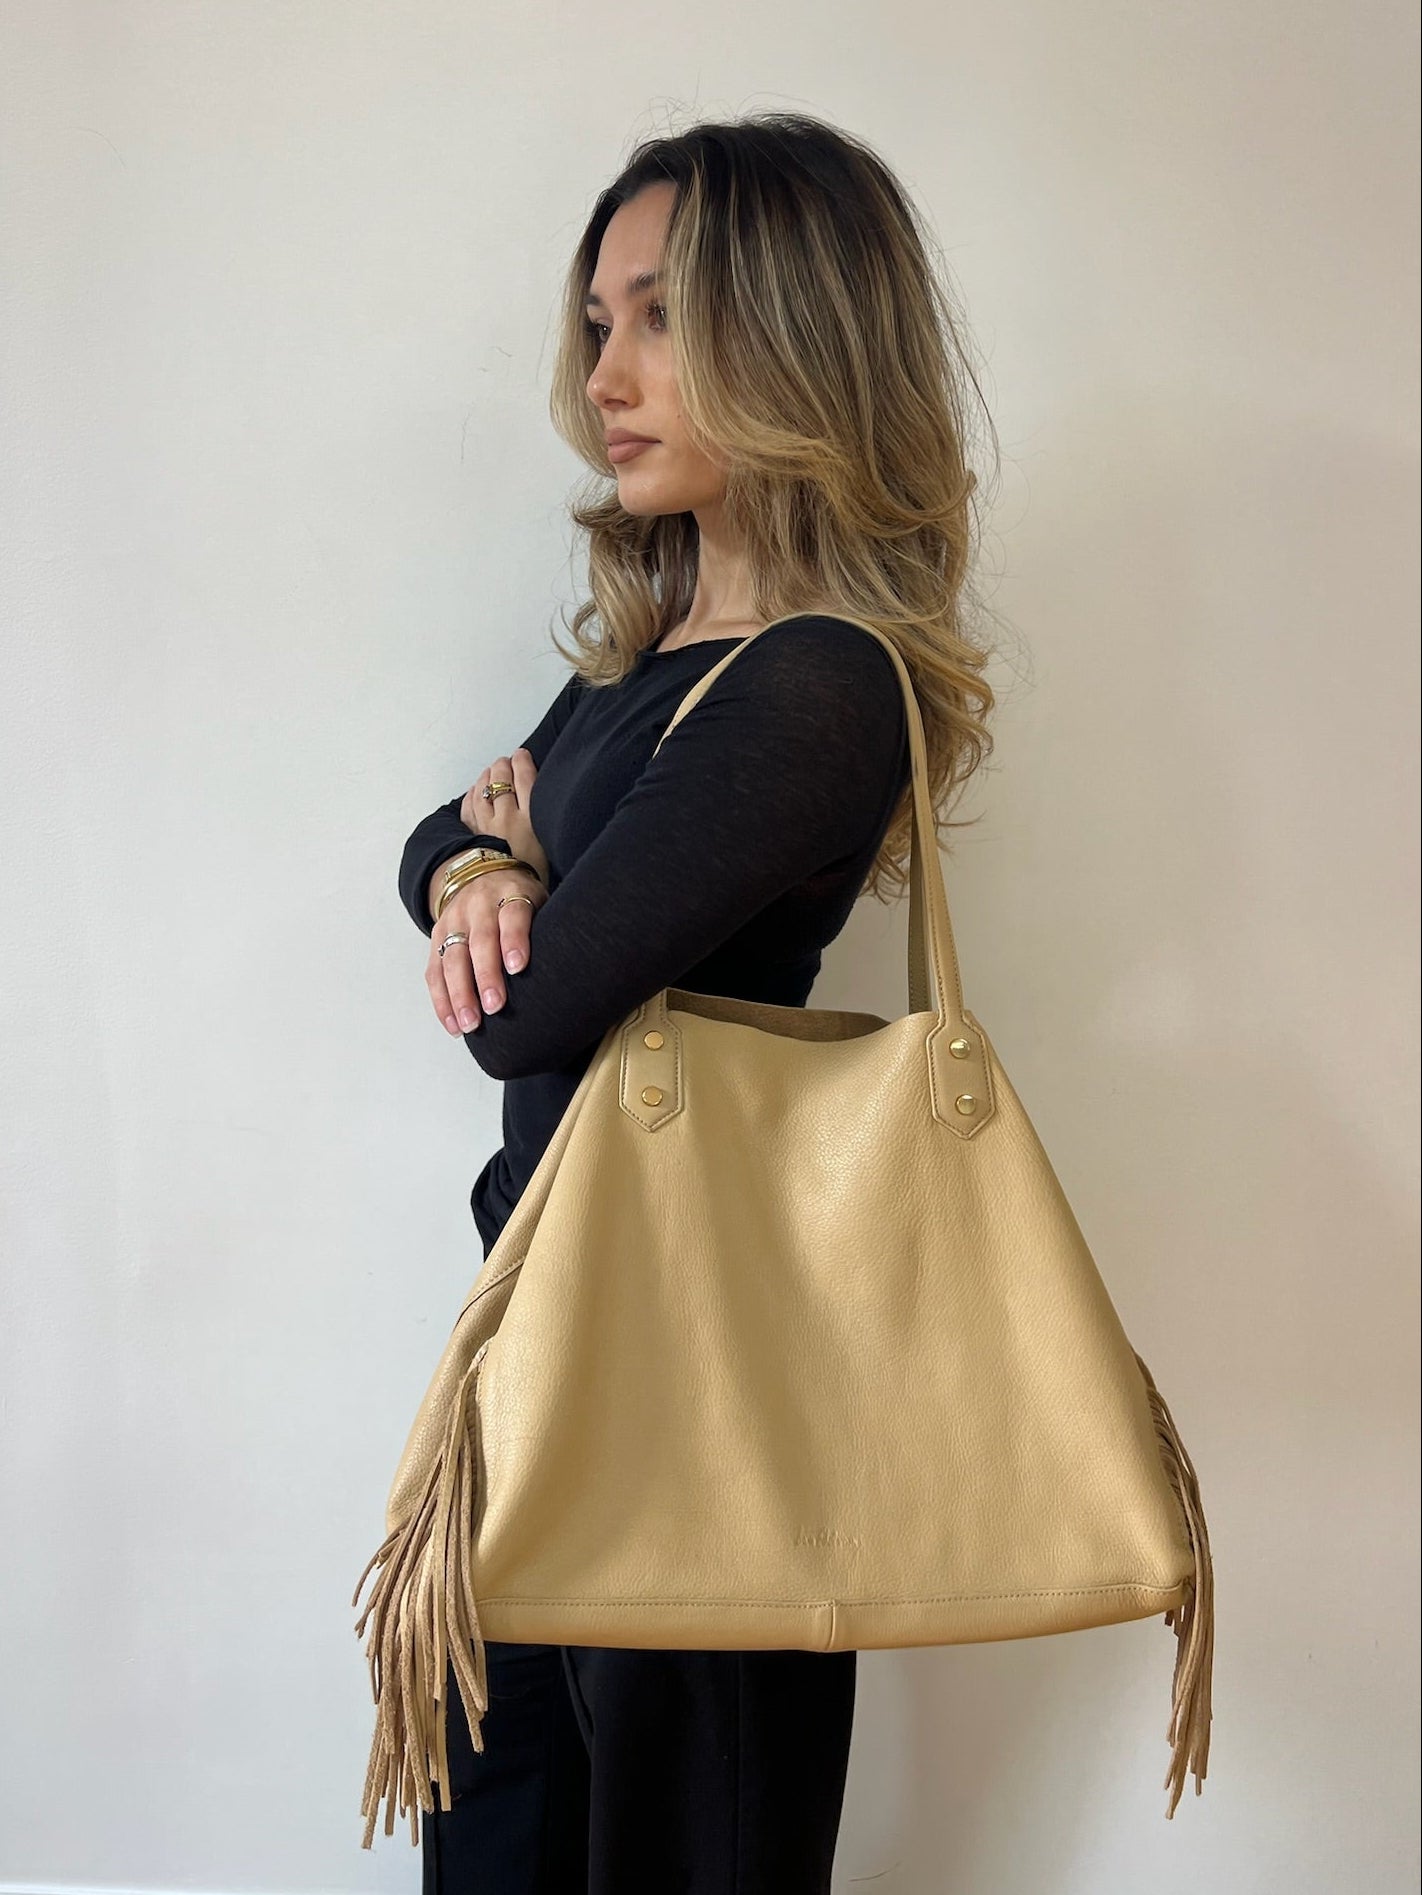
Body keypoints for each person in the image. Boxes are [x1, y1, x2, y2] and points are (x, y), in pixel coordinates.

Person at [395, 111, 999, 1895]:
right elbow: (447, 826)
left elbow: (530, 1020)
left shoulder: (817, 685)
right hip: (551, 1350)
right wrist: (476, 865)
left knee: (675, 1848)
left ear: (796, 334)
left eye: (660, 318)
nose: (608, 376)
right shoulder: (643, 674)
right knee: (503, 1840)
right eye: (597, 326)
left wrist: (507, 874)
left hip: (701, 1399)